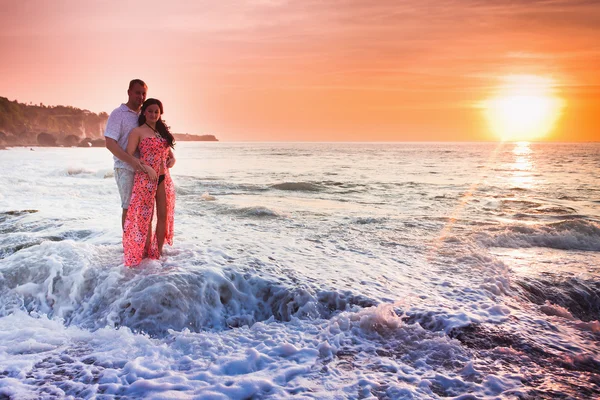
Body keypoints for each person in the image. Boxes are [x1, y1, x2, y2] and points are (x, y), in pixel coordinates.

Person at [123, 98, 176, 267]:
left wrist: (172, 159)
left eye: (156, 112)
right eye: (150, 111)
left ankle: (157, 254)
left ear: (160, 114)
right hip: (146, 178)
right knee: (146, 216)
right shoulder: (137, 132)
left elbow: (168, 153)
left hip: (164, 179)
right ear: (144, 112)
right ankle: (145, 253)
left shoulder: (162, 133)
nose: (153, 114)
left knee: (163, 215)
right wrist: (147, 168)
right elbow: (129, 155)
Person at [104, 79, 150, 228]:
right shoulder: (118, 114)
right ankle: (127, 248)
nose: (141, 97)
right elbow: (110, 144)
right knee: (129, 208)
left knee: (144, 210)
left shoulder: (145, 115)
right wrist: (132, 161)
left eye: (144, 94)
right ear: (129, 92)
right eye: (137, 93)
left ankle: (141, 246)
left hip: (144, 169)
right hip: (124, 168)